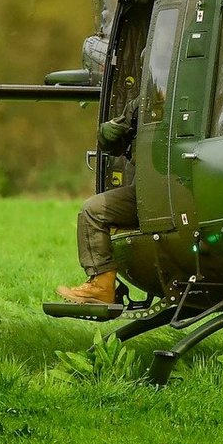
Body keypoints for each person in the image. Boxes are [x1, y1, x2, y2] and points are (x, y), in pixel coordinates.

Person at [55, 103, 139, 305]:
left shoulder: (144, 102)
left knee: (93, 211)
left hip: (149, 196)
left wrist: (111, 127)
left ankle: (102, 286)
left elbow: (110, 137)